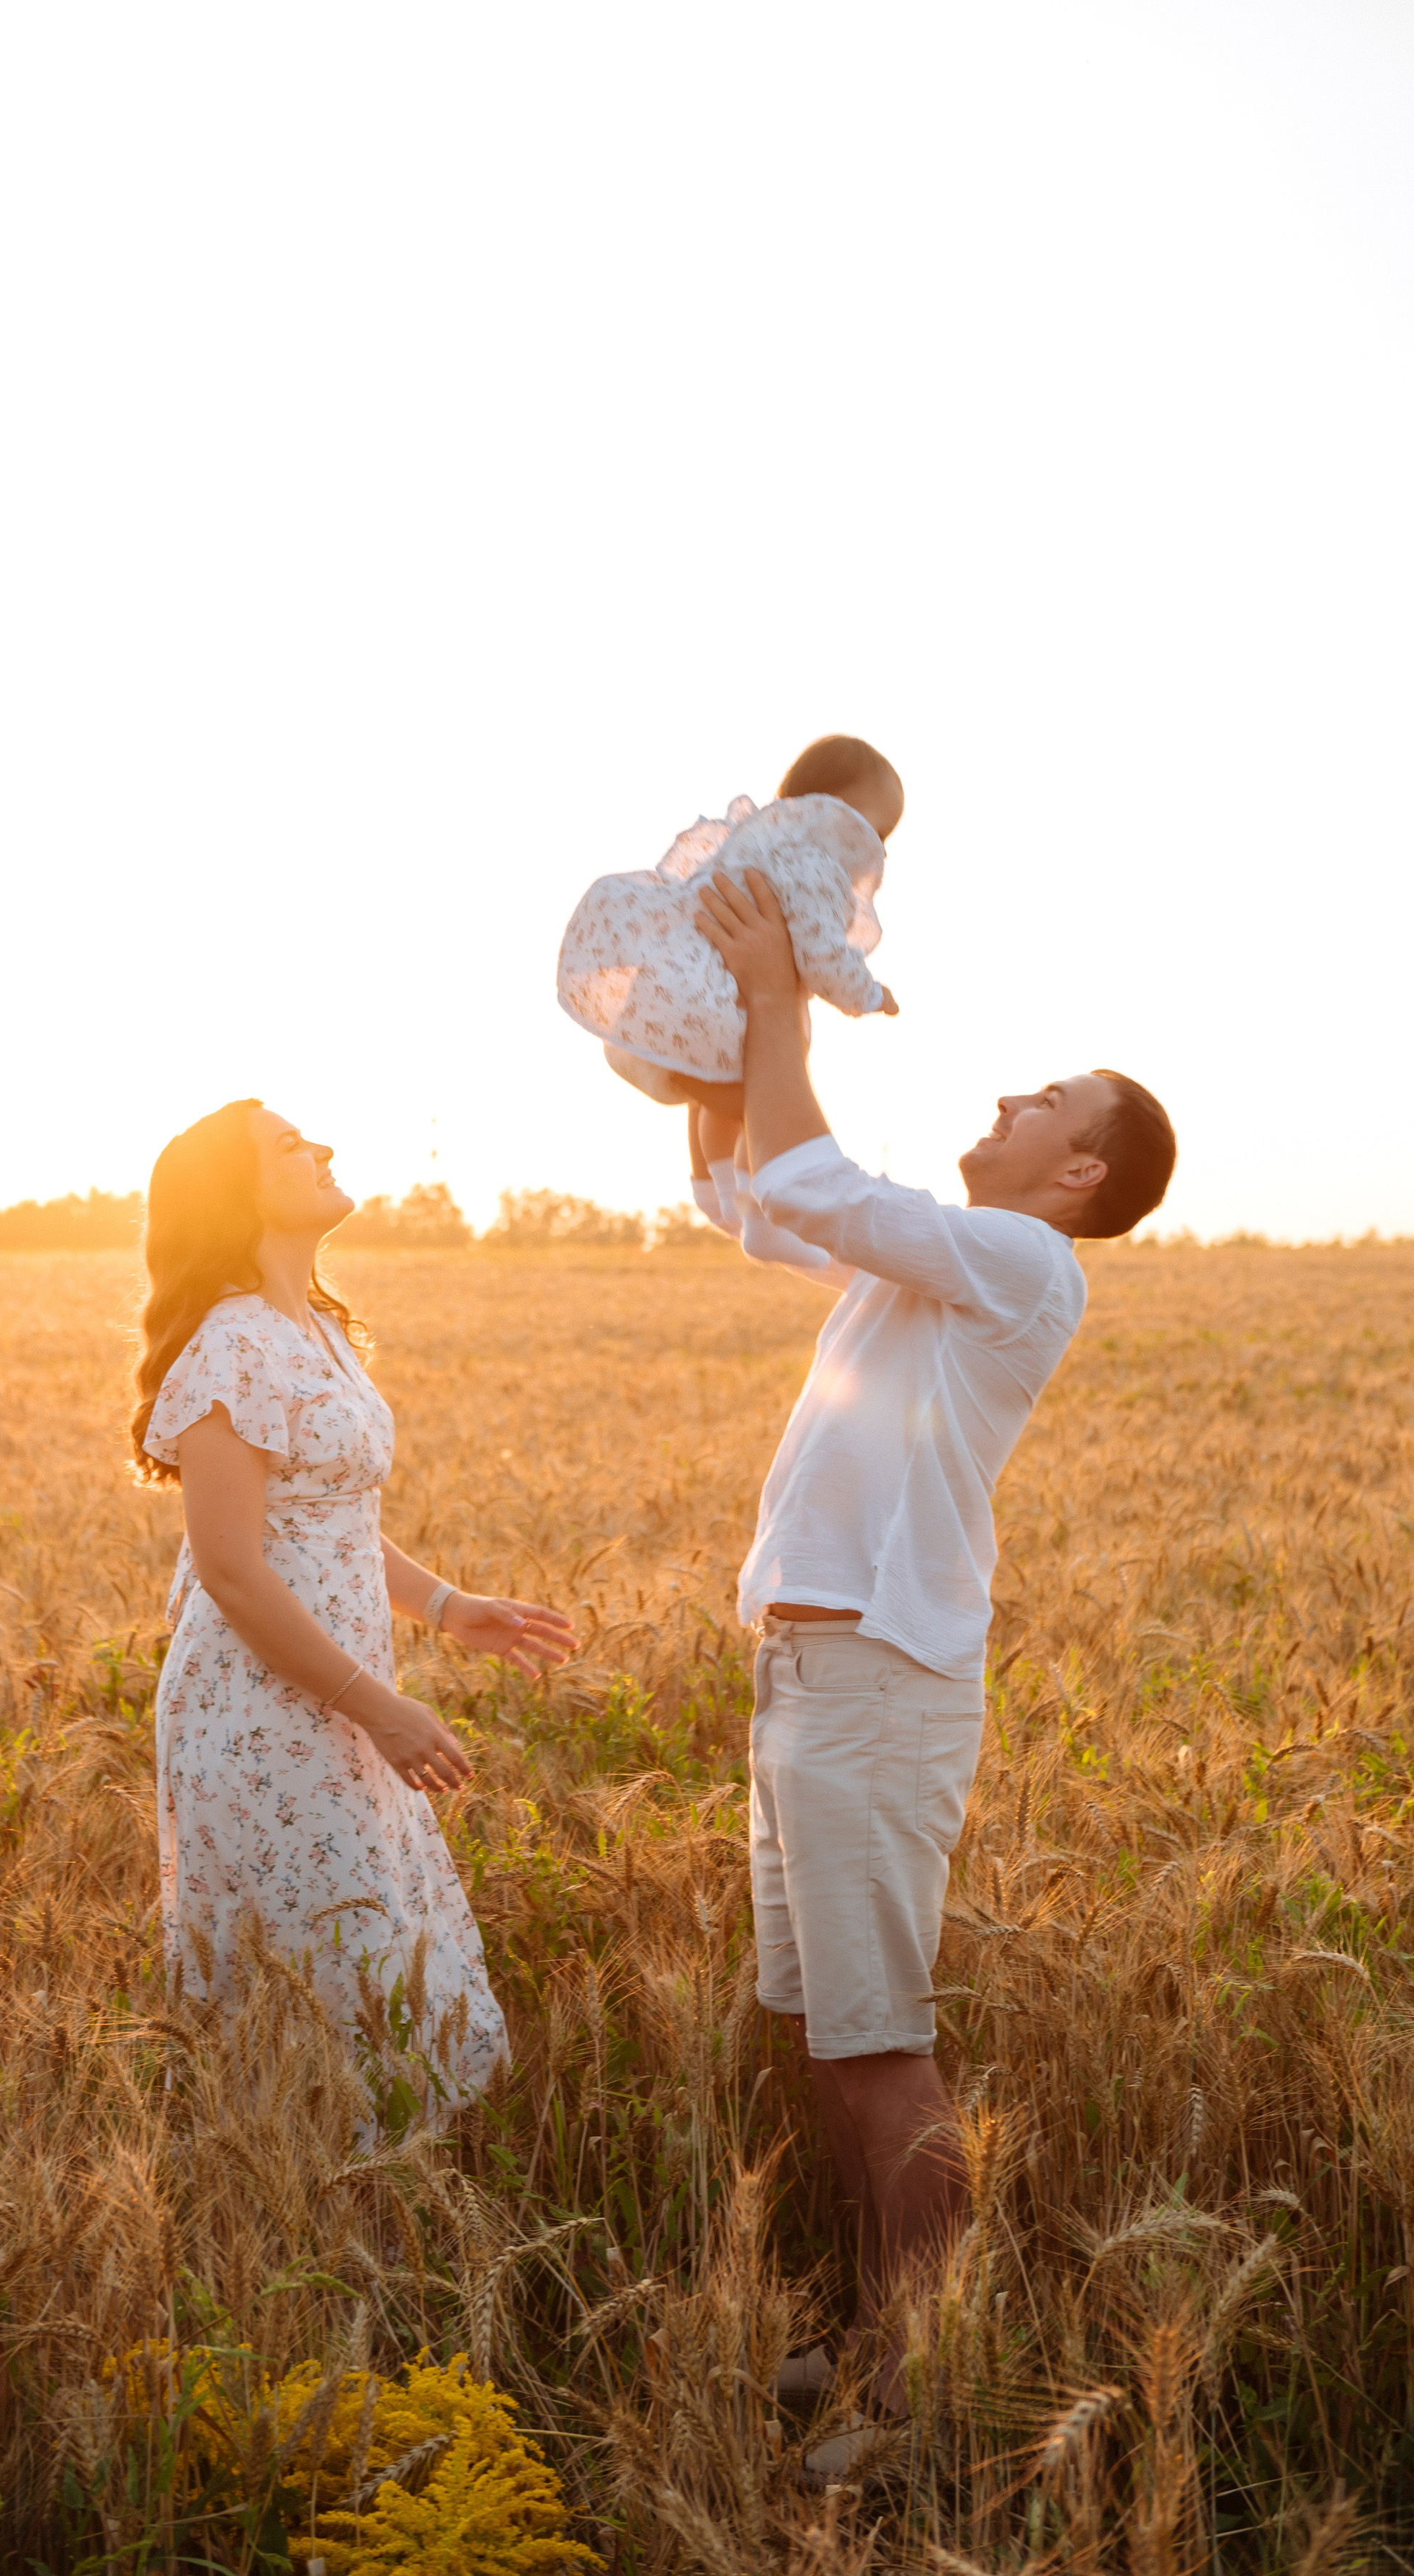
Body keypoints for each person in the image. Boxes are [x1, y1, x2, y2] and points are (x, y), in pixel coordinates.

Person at [689, 867, 1176, 2478]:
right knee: (828, 2036)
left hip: (874, 1691)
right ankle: (880, 2339)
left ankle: (929, 2389)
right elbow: (756, 1196)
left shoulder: (1025, 1267)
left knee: (881, 2040)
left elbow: (813, 1176)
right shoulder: (933, 1265)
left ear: (1079, 1169)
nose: (1006, 1097)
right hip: (808, 1685)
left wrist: (778, 995)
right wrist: (700, 1043)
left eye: (1044, 1098)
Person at [130, 1099, 576, 2107]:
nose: (322, 1147)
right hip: (262, 1713)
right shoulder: (231, 1345)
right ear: (234, 1195)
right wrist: (376, 1704)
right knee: (324, 1976)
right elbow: (233, 1567)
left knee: (372, 1971)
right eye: (290, 1145)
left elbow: (325, 1526)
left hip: (334, 1698)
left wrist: (451, 1608)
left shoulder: (317, 1327)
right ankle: (308, 2215)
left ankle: (382, 2218)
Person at [555, 733, 905, 1107]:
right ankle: (722, 1148)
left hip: (690, 989)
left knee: (716, 1108)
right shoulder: (815, 868)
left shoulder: (765, 847)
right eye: (876, 831)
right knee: (761, 1095)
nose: (880, 849)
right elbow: (824, 956)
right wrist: (868, 993)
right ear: (826, 811)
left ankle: (712, 1165)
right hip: (721, 1004)